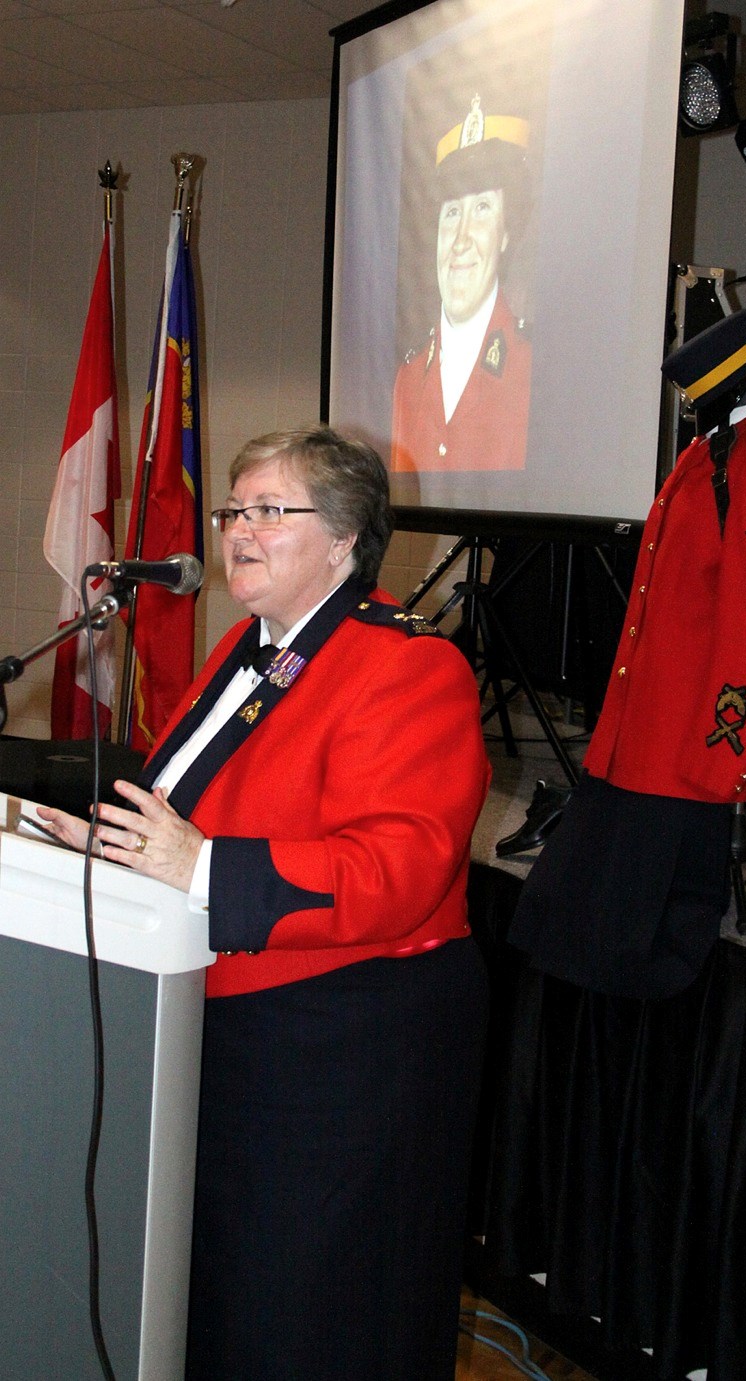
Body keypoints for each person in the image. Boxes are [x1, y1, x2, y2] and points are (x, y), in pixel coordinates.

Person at [38, 426, 492, 1379]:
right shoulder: (256, 649)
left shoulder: (407, 664)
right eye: (234, 509)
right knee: (236, 1299)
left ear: (343, 538)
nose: (239, 529)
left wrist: (199, 866)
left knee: (313, 1311)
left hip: (346, 1046)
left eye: (268, 510)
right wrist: (117, 851)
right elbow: (189, 809)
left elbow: (396, 871)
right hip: (241, 1024)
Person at [507, 310, 746, 999]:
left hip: (687, 737)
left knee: (641, 936)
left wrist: (721, 748)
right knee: (566, 913)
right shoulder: (710, 455)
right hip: (641, 726)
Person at [391, 94, 532, 473]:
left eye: (483, 208)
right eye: (452, 212)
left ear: (504, 236)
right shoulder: (408, 377)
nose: (461, 239)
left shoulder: (532, 368)